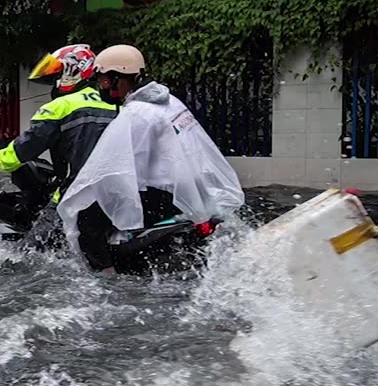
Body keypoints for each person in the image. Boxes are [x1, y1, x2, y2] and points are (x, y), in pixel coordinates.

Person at [57, 44, 245, 271]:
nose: (102, 86)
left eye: (104, 79)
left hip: (165, 195)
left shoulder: (137, 113)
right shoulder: (169, 101)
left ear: (117, 78)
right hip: (191, 188)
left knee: (86, 218)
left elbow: (113, 167)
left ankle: (103, 278)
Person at [0, 44, 119, 202]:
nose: (56, 82)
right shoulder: (116, 103)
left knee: (44, 226)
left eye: (58, 74)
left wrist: (1, 159)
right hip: (117, 194)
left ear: (73, 71)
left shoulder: (61, 106)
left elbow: (31, 142)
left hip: (75, 194)